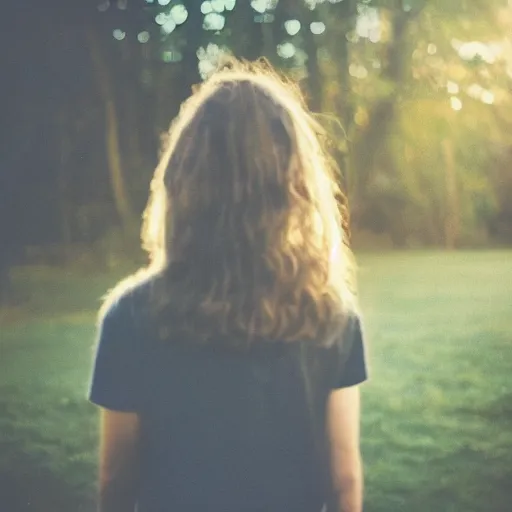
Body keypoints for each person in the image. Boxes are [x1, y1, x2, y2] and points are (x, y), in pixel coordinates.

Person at [88, 58, 368, 512]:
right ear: (293, 182)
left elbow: (116, 480)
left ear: (183, 177)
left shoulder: (130, 316)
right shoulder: (331, 313)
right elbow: (345, 480)